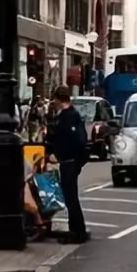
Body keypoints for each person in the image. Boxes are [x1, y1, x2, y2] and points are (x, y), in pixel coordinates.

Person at [45, 85, 90, 244]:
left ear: (58, 99)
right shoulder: (70, 115)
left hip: (69, 162)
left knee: (71, 198)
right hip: (70, 161)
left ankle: (77, 232)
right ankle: (77, 229)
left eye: (55, 99)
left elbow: (75, 140)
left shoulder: (68, 116)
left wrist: (61, 153)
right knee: (71, 197)